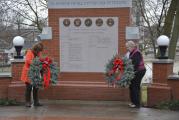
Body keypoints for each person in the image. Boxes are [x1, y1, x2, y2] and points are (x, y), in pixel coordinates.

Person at [21, 42, 44, 107]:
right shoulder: (29, 52)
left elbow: (40, 60)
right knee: (29, 88)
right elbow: (28, 61)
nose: (39, 52)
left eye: (40, 51)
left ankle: (36, 102)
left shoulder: (38, 53)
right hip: (28, 73)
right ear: (35, 49)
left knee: (36, 88)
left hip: (35, 73)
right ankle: (27, 102)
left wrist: (42, 63)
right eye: (38, 51)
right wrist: (36, 64)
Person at [126, 41, 146, 108]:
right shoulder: (132, 53)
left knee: (135, 86)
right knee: (132, 86)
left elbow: (136, 63)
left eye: (127, 47)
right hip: (135, 71)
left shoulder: (136, 53)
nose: (127, 49)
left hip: (139, 72)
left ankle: (136, 104)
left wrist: (130, 71)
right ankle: (133, 102)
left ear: (131, 46)